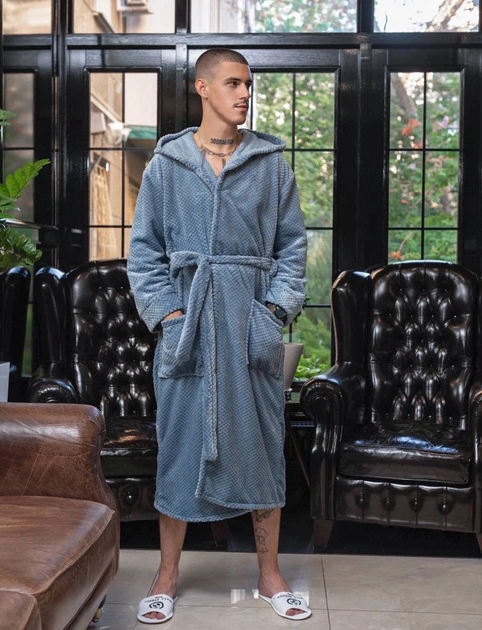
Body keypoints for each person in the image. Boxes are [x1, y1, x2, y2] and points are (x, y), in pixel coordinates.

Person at [128, 48, 309, 624]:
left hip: (248, 325)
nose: (244, 93)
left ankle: (270, 575)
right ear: (202, 88)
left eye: (248, 84)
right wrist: (169, 316)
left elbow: (292, 248)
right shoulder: (167, 164)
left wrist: (271, 313)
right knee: (179, 446)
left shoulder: (271, 165)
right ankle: (165, 575)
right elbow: (144, 253)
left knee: (261, 447)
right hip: (189, 328)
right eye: (233, 83)